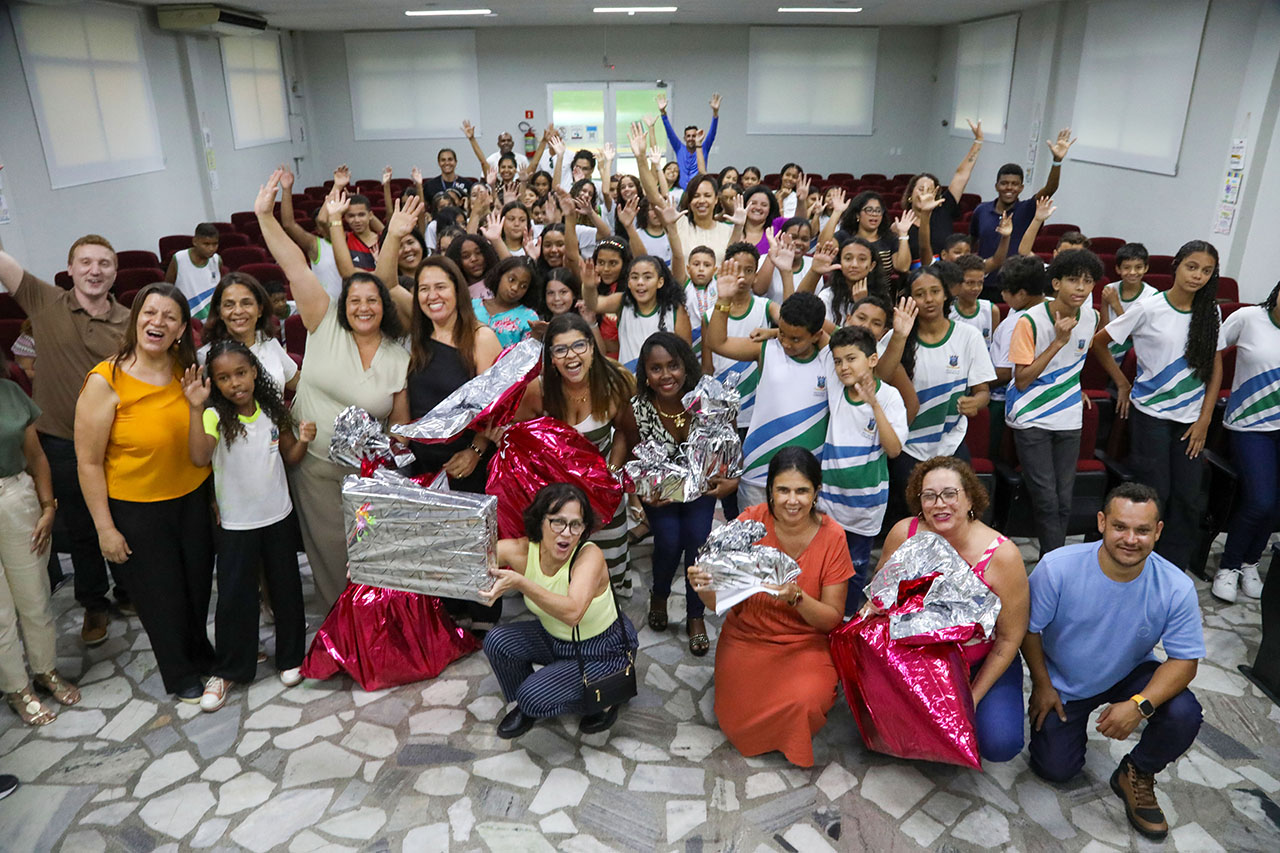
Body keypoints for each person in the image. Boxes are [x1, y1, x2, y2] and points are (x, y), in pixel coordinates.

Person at [254, 170, 411, 612]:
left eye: (373, 300)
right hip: (316, 469)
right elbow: (294, 265)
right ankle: (336, 625)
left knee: (371, 558)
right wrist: (265, 217)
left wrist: (392, 472)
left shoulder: (399, 355)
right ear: (344, 304)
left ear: (385, 307)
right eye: (355, 300)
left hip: (368, 479)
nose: (363, 306)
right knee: (328, 556)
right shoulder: (324, 323)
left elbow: (399, 423)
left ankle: (372, 624)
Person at [1023, 482, 1204, 840]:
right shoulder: (1057, 567)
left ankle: (1136, 771)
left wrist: (1140, 705)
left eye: (1142, 530)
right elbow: (1029, 631)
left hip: (1130, 670)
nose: (1131, 539)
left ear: (1158, 531)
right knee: (1056, 769)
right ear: (1102, 522)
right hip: (1065, 681)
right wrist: (1042, 685)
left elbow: (1185, 661)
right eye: (1121, 526)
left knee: (1184, 712)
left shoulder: (1175, 586)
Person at [75, 282, 214, 704]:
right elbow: (88, 462)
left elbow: (199, 444)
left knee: (196, 586)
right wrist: (104, 528)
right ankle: (180, 672)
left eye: (170, 317)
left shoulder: (185, 370)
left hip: (190, 498)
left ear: (180, 330)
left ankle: (201, 653)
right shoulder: (106, 380)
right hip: (137, 509)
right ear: (135, 319)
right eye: (150, 313)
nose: (158, 322)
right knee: (161, 597)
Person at [0, 236, 132, 646]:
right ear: (70, 269)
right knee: (81, 526)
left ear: (114, 272)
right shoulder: (44, 301)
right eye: (86, 262)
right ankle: (94, 602)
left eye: (104, 264)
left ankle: (130, 590)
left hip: (116, 441)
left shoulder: (130, 320)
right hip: (59, 441)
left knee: (124, 518)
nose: (95, 270)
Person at [687, 447, 853, 767]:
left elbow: (831, 619)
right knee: (736, 716)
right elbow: (718, 601)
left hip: (804, 643)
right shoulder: (751, 522)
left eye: (802, 491)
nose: (793, 500)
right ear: (770, 491)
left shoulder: (833, 537)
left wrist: (796, 597)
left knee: (806, 701)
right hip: (748, 634)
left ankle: (791, 733)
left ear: (816, 492)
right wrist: (704, 586)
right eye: (783, 490)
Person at [182, 340, 312, 711]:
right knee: (235, 598)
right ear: (214, 383)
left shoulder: (273, 410)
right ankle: (228, 670)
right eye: (223, 377)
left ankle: (290, 658)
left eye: (241, 373)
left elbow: (290, 455)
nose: (235, 383)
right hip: (237, 524)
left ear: (255, 371)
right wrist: (194, 408)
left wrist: (303, 439)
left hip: (278, 516)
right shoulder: (213, 416)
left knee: (286, 589)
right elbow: (198, 457)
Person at [877, 456, 1029, 763]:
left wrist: (968, 699)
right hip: (917, 659)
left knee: (1000, 743)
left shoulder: (1002, 555)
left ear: (970, 497)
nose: (939, 504)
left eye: (950, 494)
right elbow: (880, 598)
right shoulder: (904, 534)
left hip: (978, 661)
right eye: (929, 495)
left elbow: (1010, 639)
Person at [1090, 240, 1221, 572]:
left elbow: (1215, 364)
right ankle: (1143, 564)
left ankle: (1173, 570)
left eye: (1207, 271)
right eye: (1192, 267)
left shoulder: (1211, 310)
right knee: (1156, 494)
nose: (1198, 276)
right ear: (1175, 265)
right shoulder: (1149, 307)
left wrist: (1205, 419)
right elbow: (1100, 343)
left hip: (1191, 420)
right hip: (1151, 415)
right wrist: (1121, 381)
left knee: (1189, 498)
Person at [481, 483, 638, 738]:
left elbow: (573, 613)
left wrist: (521, 583)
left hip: (602, 649)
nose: (566, 533)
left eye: (576, 524)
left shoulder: (589, 555)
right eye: (558, 522)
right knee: (497, 641)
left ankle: (604, 697)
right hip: (555, 639)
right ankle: (535, 700)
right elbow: (470, 561)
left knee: (532, 696)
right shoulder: (521, 550)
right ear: (540, 520)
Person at [631, 333, 737, 656]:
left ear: (685, 365)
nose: (666, 376)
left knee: (697, 542)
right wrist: (639, 499)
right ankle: (659, 595)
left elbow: (731, 446)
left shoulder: (708, 399)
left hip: (702, 489)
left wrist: (731, 482)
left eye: (673, 366)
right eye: (656, 368)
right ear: (645, 374)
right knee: (668, 541)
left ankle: (695, 616)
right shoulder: (639, 408)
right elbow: (633, 459)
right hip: (660, 494)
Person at [514, 313, 635, 592]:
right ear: (551, 358)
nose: (571, 356)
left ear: (592, 347)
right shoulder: (538, 391)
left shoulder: (613, 383)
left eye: (579, 345)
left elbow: (625, 435)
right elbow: (518, 439)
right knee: (563, 576)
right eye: (560, 349)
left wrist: (611, 476)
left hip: (603, 495)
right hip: (556, 501)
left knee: (606, 572)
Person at [877, 262, 996, 524]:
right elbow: (880, 378)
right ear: (910, 299)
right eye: (920, 294)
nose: (929, 299)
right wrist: (899, 335)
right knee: (913, 518)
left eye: (935, 291)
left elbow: (983, 392)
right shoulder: (896, 337)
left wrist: (975, 402)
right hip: (907, 446)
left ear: (946, 294)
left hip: (951, 441)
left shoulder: (968, 336)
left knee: (956, 514)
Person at [1, 347, 80, 726]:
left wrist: (49, 507)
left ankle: (45, 671)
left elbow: (36, 456)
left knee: (35, 595)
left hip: (18, 498)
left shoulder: (10, 392)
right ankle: (16, 688)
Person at [1005, 249, 1100, 557]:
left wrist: (1076, 387)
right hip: (1031, 416)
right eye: (1073, 280)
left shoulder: (1092, 316)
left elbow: (1075, 365)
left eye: (1088, 282)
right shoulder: (1029, 321)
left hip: (1069, 416)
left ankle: (1054, 561)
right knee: (1046, 498)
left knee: (1064, 499)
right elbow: (1022, 379)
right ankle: (1055, 565)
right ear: (1056, 283)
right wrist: (1057, 342)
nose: (1081, 288)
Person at [706, 283, 830, 509]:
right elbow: (717, 343)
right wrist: (723, 301)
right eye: (782, 333)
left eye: (796, 339)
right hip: (758, 472)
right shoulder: (766, 349)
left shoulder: (831, 359)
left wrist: (774, 331)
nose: (785, 343)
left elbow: (850, 340)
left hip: (806, 475)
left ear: (817, 335)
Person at [820, 325, 907, 612]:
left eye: (851, 358)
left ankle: (845, 620)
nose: (843, 367)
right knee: (825, 564)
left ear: (872, 359)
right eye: (838, 360)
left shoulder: (890, 397)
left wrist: (874, 405)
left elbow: (893, 449)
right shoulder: (836, 388)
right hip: (829, 502)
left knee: (856, 569)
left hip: (866, 507)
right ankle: (825, 617)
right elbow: (817, 331)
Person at [1210, 280, 1280, 602]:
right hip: (1249, 425)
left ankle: (1252, 562)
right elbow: (1211, 351)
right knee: (1261, 500)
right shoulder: (1250, 318)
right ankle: (1229, 566)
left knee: (1276, 506)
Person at [969, 129, 1076, 283]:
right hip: (984, 282)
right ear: (996, 186)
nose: (1009, 188)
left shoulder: (1028, 209)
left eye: (1014, 184)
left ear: (1021, 188)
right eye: (1004, 183)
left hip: (1016, 283)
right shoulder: (981, 210)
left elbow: (1050, 188)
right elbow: (972, 243)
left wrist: (1057, 161)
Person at [584, 254, 691, 374]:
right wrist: (589, 286)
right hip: (629, 382)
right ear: (629, 283)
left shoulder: (675, 310)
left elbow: (686, 354)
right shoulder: (622, 302)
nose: (640, 282)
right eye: (634, 277)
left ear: (660, 282)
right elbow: (593, 304)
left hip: (662, 382)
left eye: (647, 277)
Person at [197, 272, 299, 391]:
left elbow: (296, 381)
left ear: (260, 309)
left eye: (246, 303)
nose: (238, 311)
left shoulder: (268, 342)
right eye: (229, 305)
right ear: (219, 312)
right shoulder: (206, 356)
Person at [901, 119, 985, 258]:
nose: (925, 194)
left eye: (930, 190)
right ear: (910, 194)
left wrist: (979, 141)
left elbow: (961, 175)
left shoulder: (944, 210)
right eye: (921, 189)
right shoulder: (902, 223)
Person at [1100, 242, 1158, 363]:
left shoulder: (1152, 295)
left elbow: (1139, 336)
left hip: (1135, 350)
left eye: (1138, 267)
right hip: (1111, 346)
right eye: (1126, 267)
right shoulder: (1109, 290)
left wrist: (1116, 305)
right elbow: (1103, 329)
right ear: (1118, 269)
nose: (1132, 272)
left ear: (1146, 268)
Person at [473, 257, 542, 347]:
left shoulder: (529, 317)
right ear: (499, 276)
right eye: (511, 280)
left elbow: (528, 355)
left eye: (523, 286)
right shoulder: (472, 305)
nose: (515, 288)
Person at [656, 92, 720, 188]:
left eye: (694, 136)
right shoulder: (679, 148)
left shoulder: (703, 148)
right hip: (681, 191)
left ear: (698, 136)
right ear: (685, 138)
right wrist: (663, 113)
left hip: (697, 190)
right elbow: (670, 133)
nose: (691, 139)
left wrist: (715, 113)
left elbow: (712, 133)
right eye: (688, 136)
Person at [164, 223, 222, 320]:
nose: (211, 248)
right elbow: (167, 289)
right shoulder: (179, 259)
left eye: (215, 244)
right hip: (188, 318)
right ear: (195, 241)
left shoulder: (217, 260)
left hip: (212, 319)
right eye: (206, 244)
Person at [948, 254, 1000, 347]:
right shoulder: (948, 312)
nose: (976, 288)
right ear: (957, 282)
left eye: (980, 283)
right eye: (970, 283)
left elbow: (995, 347)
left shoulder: (991, 311)